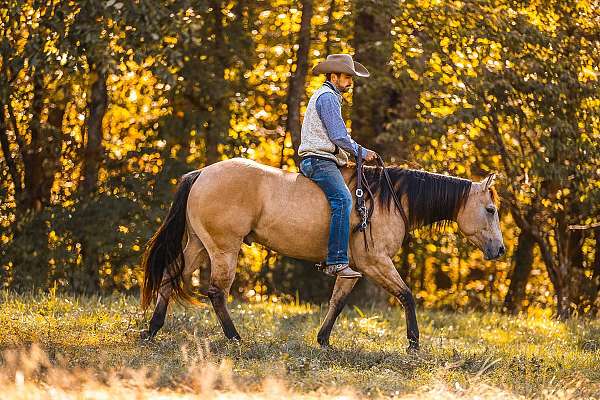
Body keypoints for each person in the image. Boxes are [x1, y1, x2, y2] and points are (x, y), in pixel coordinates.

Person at [298, 53, 378, 279]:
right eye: (346, 77)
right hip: (319, 161)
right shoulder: (328, 98)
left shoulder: (326, 96)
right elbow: (339, 136)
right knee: (343, 199)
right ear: (333, 76)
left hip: (322, 159)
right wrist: (362, 152)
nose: (350, 82)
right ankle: (336, 260)